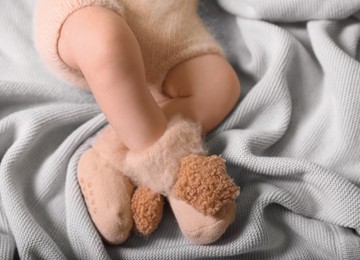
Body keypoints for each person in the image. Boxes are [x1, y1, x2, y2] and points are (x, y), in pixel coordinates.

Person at [35, 0, 240, 244]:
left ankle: (111, 155)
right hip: (90, 10)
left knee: (220, 84)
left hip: (169, 21)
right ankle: (176, 171)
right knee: (105, 41)